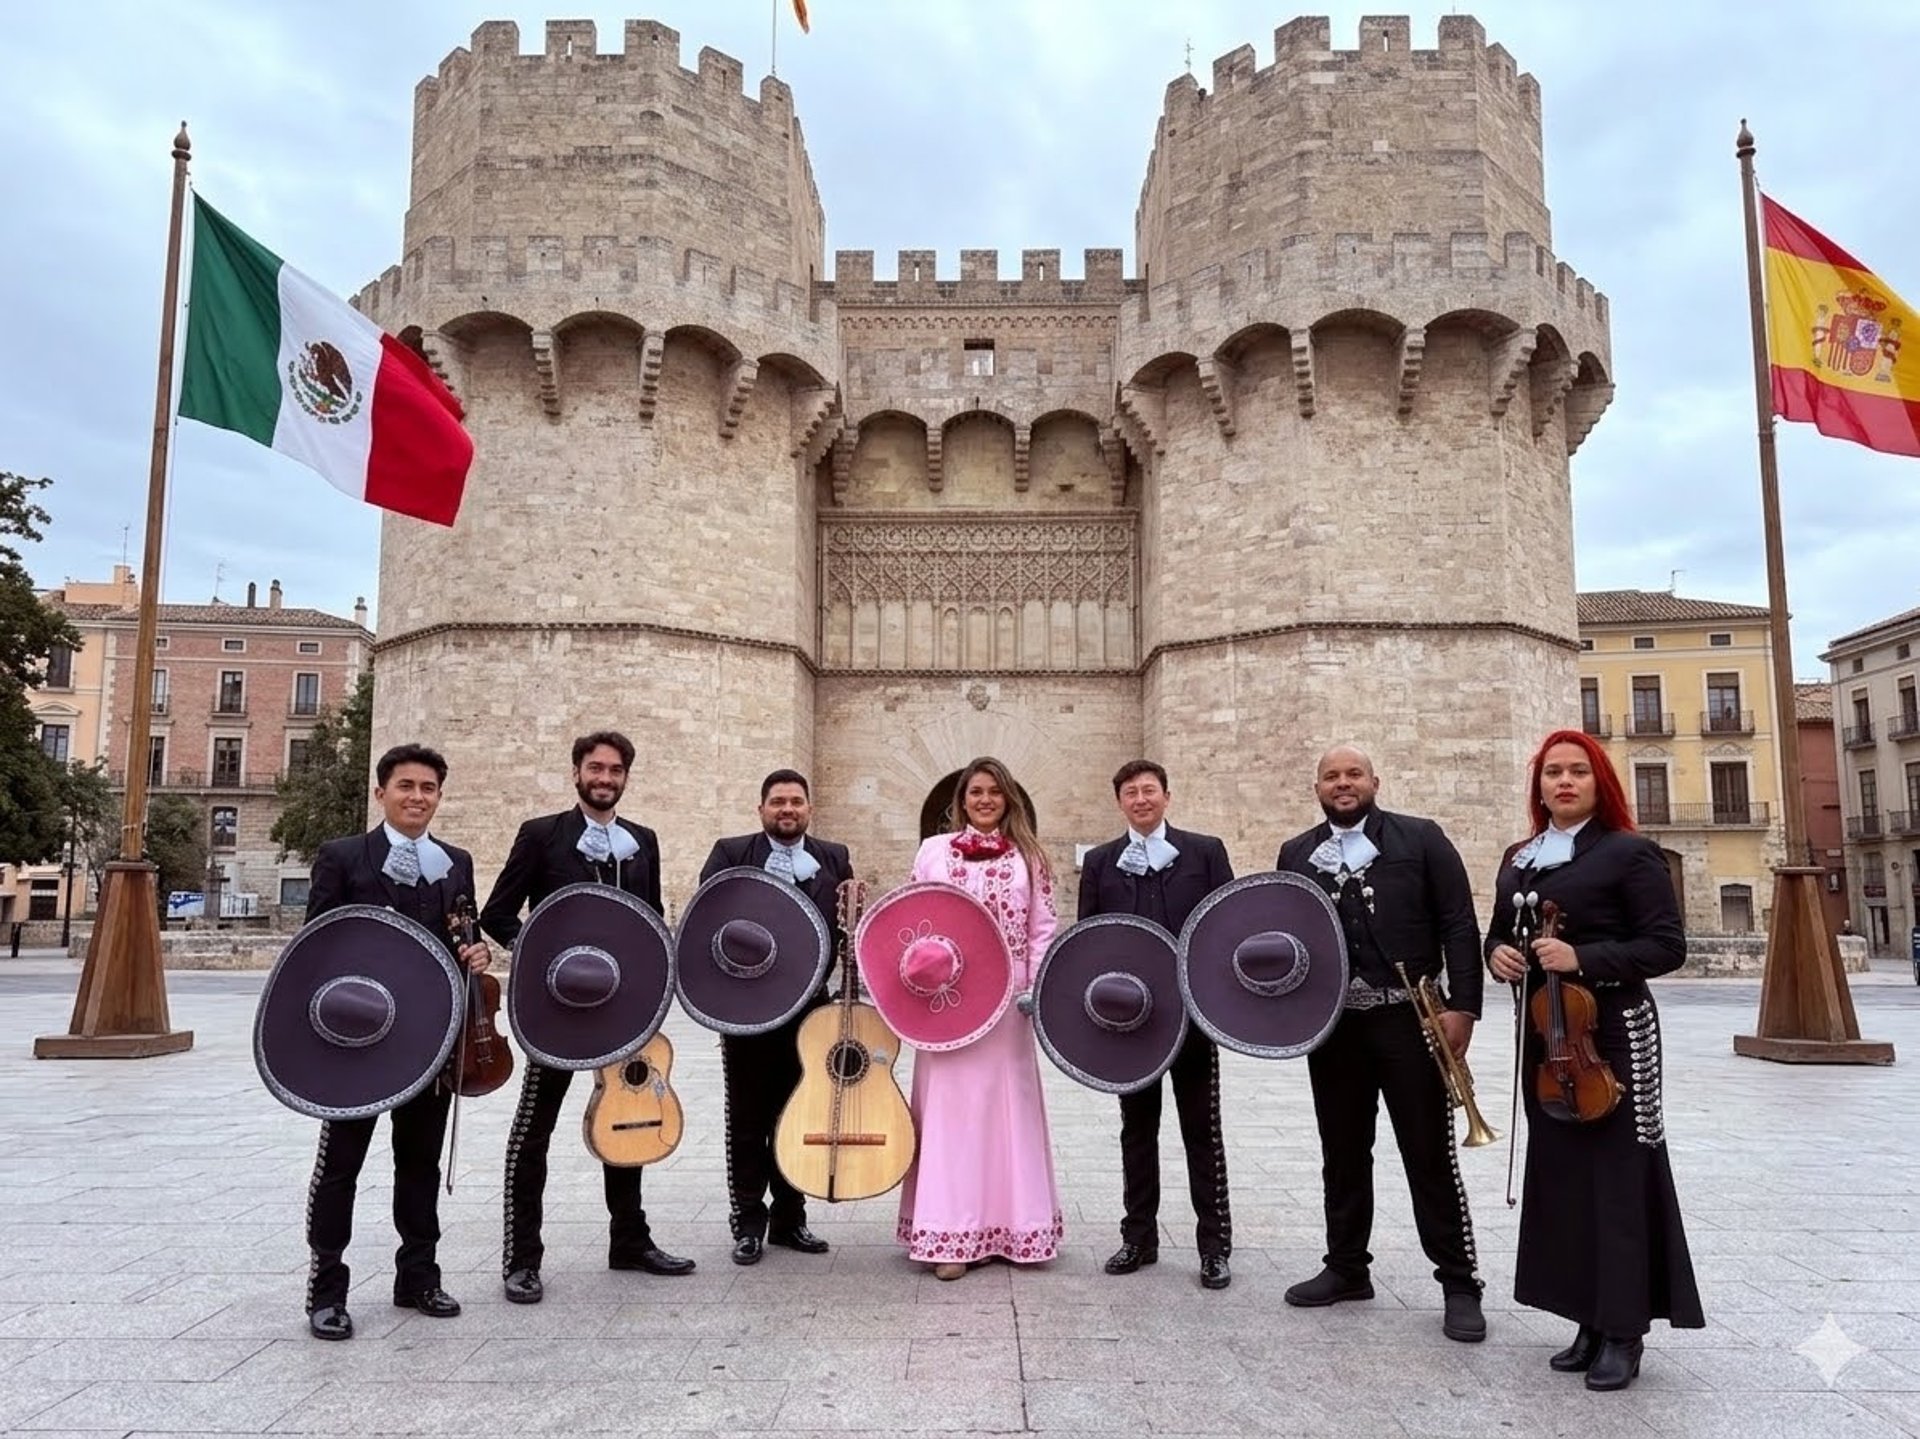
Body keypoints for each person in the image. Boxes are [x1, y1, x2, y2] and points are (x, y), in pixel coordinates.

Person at [1486, 728, 1704, 1391]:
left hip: (1611, 1033)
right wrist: (1498, 956)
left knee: (1616, 1177)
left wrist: (1584, 958)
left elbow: (1666, 946)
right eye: (1552, 771)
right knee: (1563, 1178)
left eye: (1577, 770)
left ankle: (1624, 1328)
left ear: (1598, 781)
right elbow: (1502, 931)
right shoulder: (1520, 858)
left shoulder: (1629, 854)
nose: (1563, 781)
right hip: (1548, 1037)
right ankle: (1586, 1315)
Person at [1276, 744, 1487, 1343]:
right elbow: (1284, 934)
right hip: (1334, 1026)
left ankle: (1459, 1283)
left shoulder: (1421, 838)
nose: (1343, 784)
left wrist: (1463, 1007)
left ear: (1375, 781)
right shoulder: (1296, 852)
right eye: (1331, 777)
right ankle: (1346, 1268)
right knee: (1341, 1153)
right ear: (1317, 787)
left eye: (1353, 775)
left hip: (1410, 1021)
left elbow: (1457, 923)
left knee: (1428, 1155)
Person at [479, 731, 694, 1304]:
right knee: (533, 1130)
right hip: (557, 1010)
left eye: (615, 770)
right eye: (595, 768)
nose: (605, 778)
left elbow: (649, 920)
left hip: (625, 1012)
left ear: (626, 777)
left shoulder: (642, 842)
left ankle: (629, 1239)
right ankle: (521, 1258)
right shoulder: (542, 835)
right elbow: (497, 915)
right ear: (577, 773)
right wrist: (544, 957)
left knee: (629, 1117)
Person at [302, 743, 490, 1341]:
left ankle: (418, 1276)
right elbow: (317, 944)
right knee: (341, 1167)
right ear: (381, 793)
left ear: (439, 796)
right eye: (405, 786)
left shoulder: (455, 862)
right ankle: (326, 1288)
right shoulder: (344, 857)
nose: (417, 797)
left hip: (429, 1037)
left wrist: (477, 953)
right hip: (357, 1042)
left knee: (419, 1163)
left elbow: (467, 932)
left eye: (428, 787)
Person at [900, 756, 1062, 1279]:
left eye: (994, 791)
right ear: (961, 800)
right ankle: (948, 1236)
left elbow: (1043, 926)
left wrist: (1035, 986)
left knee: (1005, 1109)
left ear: (1007, 799)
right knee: (950, 1110)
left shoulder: (1030, 856)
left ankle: (1015, 1228)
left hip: (1009, 1001)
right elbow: (912, 912)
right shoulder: (933, 851)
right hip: (945, 998)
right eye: (976, 792)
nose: (985, 800)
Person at [1078, 759, 1235, 1290]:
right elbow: (1089, 939)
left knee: (1202, 1132)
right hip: (1132, 1022)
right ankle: (1138, 1237)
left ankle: (1214, 1247)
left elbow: (1225, 927)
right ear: (1120, 801)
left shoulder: (1205, 852)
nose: (1141, 799)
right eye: (1130, 792)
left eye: (1149, 790)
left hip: (1191, 1018)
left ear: (1167, 796)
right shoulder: (1101, 862)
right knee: (1136, 1131)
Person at [700, 768, 855, 1266]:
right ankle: (747, 1222)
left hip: (808, 1008)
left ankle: (791, 1218)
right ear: (761, 809)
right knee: (747, 1117)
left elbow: (844, 930)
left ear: (809, 809)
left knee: (798, 1111)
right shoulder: (731, 852)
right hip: (747, 1009)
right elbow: (709, 918)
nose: (787, 810)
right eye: (777, 802)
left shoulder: (833, 856)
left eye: (795, 802)